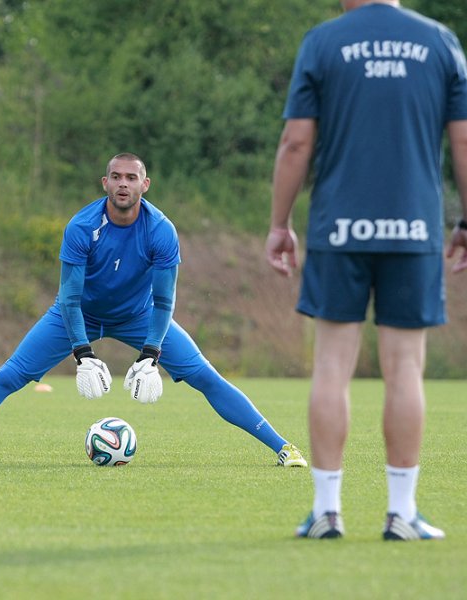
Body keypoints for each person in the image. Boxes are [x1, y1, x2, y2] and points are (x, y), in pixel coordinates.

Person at [0, 152, 307, 469]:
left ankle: (283, 447)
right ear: (105, 183)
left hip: (139, 315)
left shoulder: (161, 229)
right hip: (77, 314)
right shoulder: (82, 226)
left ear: (145, 185)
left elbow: (165, 301)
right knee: (11, 376)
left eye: (131, 177)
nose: (123, 184)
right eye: (116, 177)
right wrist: (83, 353)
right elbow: (69, 297)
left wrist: (151, 355)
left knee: (205, 376)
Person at [266, 0, 467, 540]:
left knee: (333, 364)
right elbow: (464, 140)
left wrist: (279, 223)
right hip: (414, 229)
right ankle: (401, 513)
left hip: (339, 228)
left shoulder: (324, 42)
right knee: (405, 368)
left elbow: (296, 142)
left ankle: (327, 511)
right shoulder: (440, 41)